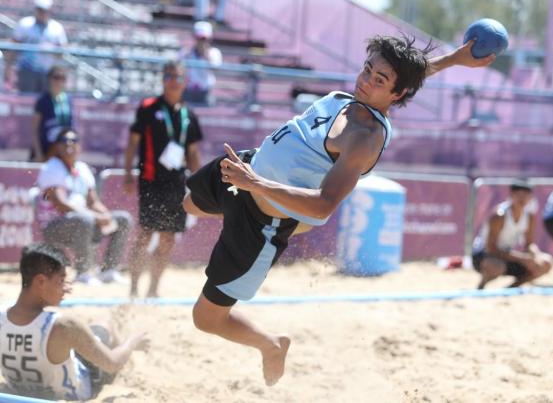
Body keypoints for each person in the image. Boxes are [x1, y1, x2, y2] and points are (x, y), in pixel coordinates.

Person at [182, 35, 494, 386]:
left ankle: (270, 345)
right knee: (189, 203)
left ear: (397, 95)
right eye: (367, 70)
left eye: (379, 81)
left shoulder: (365, 136)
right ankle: (247, 210)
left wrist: (257, 183)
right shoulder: (352, 99)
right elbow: (408, 74)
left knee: (205, 318)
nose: (366, 81)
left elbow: (325, 204)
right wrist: (454, 58)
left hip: (260, 217)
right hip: (247, 168)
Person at [0, 243, 149, 401]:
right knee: (106, 325)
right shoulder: (64, 325)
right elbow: (112, 363)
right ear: (41, 282)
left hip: (21, 388)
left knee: (96, 329)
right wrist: (132, 342)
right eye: (61, 281)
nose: (67, 288)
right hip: (78, 389)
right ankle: (126, 363)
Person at [124, 60, 203, 298]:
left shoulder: (189, 115)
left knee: (168, 238)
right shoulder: (148, 107)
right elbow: (133, 143)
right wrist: (127, 173)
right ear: (162, 80)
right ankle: (134, 287)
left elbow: (192, 153)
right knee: (146, 234)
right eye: (168, 76)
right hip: (151, 181)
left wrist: (199, 184)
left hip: (177, 185)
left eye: (177, 77)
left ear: (184, 81)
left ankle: (153, 289)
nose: (173, 81)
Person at [36, 128, 132, 285]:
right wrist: (96, 216)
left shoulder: (82, 168)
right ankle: (83, 272)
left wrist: (105, 215)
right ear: (57, 147)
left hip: (84, 222)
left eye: (73, 140)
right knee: (84, 219)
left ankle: (108, 270)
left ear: (79, 146)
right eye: (64, 141)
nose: (69, 144)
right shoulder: (51, 167)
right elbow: (62, 204)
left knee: (122, 220)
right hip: (55, 227)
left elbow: (93, 201)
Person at [472, 180, 553, 289]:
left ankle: (511, 288)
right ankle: (482, 285)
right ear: (511, 195)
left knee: (545, 263)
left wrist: (536, 255)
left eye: (526, 195)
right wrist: (523, 259)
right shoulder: (499, 215)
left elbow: (529, 244)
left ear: (530, 197)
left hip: (506, 255)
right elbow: (491, 249)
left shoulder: (529, 216)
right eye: (519, 195)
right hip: (484, 255)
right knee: (496, 266)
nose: (522, 199)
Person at [4, 0, 68, 93]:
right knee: (25, 102)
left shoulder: (57, 28)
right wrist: (8, 68)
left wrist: (52, 49)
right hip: (26, 71)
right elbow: (13, 48)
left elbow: (62, 52)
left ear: (50, 10)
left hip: (48, 73)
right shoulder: (24, 24)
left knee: (45, 104)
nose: (41, 13)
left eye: (44, 10)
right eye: (39, 9)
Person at [31, 66, 73, 162]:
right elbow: (35, 130)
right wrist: (38, 153)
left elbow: (71, 127)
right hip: (46, 149)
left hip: (63, 150)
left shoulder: (68, 100)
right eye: (56, 77)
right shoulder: (42, 100)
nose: (59, 81)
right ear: (49, 79)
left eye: (62, 78)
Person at [180, 20, 222, 105]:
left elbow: (216, 68)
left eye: (203, 39)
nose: (201, 41)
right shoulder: (186, 52)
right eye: (198, 38)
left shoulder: (214, 53)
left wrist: (205, 55)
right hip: (187, 92)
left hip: (205, 93)